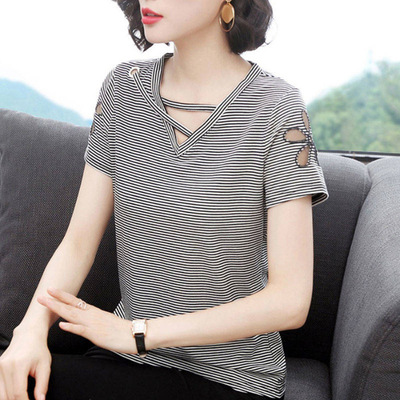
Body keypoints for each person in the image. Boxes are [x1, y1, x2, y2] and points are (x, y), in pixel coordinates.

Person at [0, 0, 330, 399]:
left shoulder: (277, 108)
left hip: (230, 379)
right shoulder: (123, 89)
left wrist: (138, 333)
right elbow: (78, 244)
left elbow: (290, 301)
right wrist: (30, 330)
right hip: (125, 361)